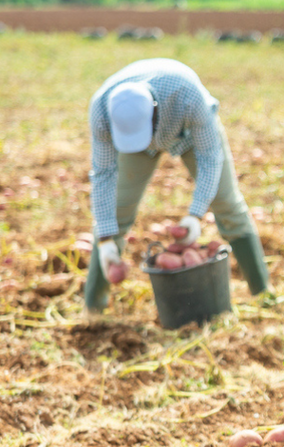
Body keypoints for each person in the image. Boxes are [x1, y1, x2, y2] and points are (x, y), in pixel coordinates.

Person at [86, 58, 271, 313]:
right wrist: (105, 239)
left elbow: (209, 159)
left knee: (227, 204)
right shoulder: (101, 110)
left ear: (154, 110)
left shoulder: (188, 96)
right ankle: (94, 310)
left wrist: (195, 214)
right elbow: (104, 173)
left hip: (188, 134)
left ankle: (263, 295)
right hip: (130, 145)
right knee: (116, 214)